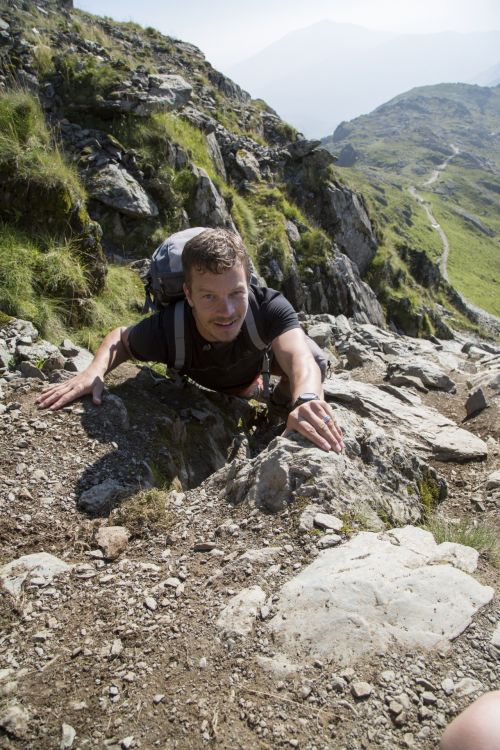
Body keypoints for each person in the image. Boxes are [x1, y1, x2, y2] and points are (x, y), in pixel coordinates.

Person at [37, 228, 344, 453]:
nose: (227, 311)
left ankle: (277, 409)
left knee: (316, 358)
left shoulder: (268, 306)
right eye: (209, 296)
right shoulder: (170, 328)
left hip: (250, 374)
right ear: (188, 294)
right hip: (221, 380)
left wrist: (306, 399)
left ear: (247, 284)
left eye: (236, 293)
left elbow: (301, 359)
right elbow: (122, 339)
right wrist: (94, 371)